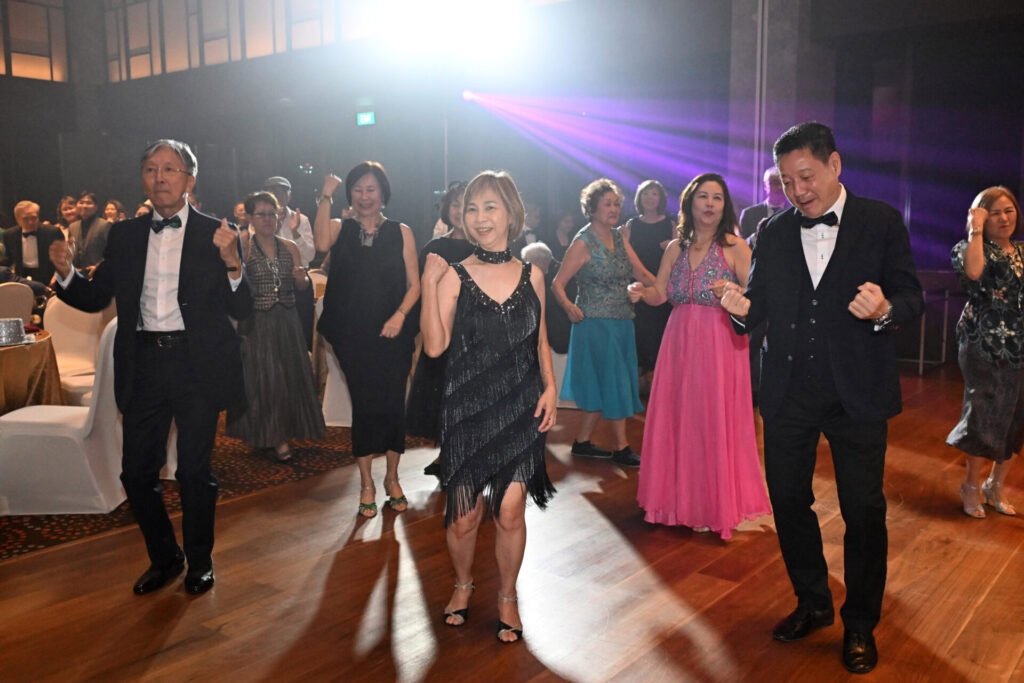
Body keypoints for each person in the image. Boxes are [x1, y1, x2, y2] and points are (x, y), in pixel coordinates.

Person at [720, 122, 923, 674]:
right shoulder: (773, 231)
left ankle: (860, 622)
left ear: (834, 164)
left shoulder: (881, 221)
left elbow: (911, 297)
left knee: (863, 510)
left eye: (806, 176)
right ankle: (813, 601)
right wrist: (740, 312)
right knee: (788, 500)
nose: (797, 190)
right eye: (787, 181)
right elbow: (758, 305)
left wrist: (885, 310)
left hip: (857, 392)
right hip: (788, 392)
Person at [49, 139, 252, 596]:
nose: (160, 178)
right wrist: (66, 273)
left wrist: (232, 262)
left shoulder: (217, 233)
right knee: (137, 473)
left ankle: (200, 560)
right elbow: (95, 297)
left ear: (189, 179)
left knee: (193, 472)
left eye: (170, 169)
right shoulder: (124, 235)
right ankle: (165, 557)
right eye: (151, 169)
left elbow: (243, 308)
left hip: (196, 365)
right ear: (142, 178)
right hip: (143, 364)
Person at [420, 170, 557, 643]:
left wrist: (550, 387)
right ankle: (463, 584)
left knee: (511, 511)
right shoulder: (454, 275)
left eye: (490, 207)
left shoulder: (533, 275)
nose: (480, 217)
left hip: (521, 406)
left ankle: (507, 596)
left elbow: (539, 338)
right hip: (467, 410)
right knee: (464, 516)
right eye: (472, 209)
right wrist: (428, 284)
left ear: (510, 213)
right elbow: (434, 347)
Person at [629, 174, 771, 538]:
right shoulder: (675, 248)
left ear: (725, 206)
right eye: (703, 196)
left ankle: (712, 505)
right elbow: (661, 294)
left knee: (711, 419)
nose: (709, 203)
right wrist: (641, 292)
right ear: (690, 203)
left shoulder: (736, 247)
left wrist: (733, 291)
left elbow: (757, 299)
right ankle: (674, 502)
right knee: (679, 418)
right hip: (678, 341)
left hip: (720, 342)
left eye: (717, 198)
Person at [313, 162, 420, 518]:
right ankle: (366, 484)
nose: (364, 196)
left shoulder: (401, 232)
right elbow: (319, 243)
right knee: (364, 407)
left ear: (382, 193)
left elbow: (414, 284)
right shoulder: (339, 228)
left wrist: (399, 315)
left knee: (392, 406)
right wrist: (326, 194)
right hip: (353, 336)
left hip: (393, 334)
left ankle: (392, 478)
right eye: (357, 189)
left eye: (371, 189)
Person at [551, 178, 655, 467]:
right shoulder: (583, 242)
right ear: (592, 208)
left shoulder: (619, 238)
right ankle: (621, 447)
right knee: (615, 381)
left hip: (621, 323)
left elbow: (641, 273)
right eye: (607, 204)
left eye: (617, 204)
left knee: (606, 383)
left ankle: (582, 442)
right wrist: (569, 307)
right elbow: (557, 284)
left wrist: (665, 289)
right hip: (595, 324)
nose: (614, 209)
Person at [226, 191, 324, 462]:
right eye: (261, 214)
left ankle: (279, 433)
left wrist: (301, 278)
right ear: (250, 217)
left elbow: (303, 286)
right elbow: (233, 285)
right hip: (257, 322)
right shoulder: (243, 246)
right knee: (267, 381)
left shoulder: (289, 247)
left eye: (272, 214)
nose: (268, 219)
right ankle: (274, 437)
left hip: (288, 320)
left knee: (289, 379)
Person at [946, 186, 1022, 518]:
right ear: (979, 216)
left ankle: (995, 484)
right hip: (983, 344)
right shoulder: (968, 248)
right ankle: (971, 486)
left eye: (1009, 210)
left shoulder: (1022, 251)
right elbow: (974, 273)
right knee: (984, 413)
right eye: (994, 212)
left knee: (1017, 416)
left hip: (1020, 344)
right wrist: (975, 231)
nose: (1004, 218)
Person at [406, 181, 474, 478]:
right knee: (443, 397)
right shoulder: (434, 249)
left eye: (467, 205)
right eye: (455, 204)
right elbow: (420, 292)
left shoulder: (487, 249)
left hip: (476, 334)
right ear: (446, 209)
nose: (460, 211)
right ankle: (447, 453)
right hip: (441, 334)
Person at [621, 180, 675, 382]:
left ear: (660, 198)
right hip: (637, 288)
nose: (650, 197)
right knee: (639, 336)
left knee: (659, 337)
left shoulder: (670, 224)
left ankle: (657, 383)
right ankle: (639, 385)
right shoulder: (631, 224)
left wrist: (672, 245)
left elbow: (680, 256)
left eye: (654, 193)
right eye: (646, 193)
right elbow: (624, 257)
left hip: (663, 291)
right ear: (639, 198)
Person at [521, 242, 572, 354]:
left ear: (539, 260)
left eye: (528, 262)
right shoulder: (548, 273)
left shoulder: (560, 274)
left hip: (562, 332)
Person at [2, 201, 65, 284]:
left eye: (33, 218)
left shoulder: (53, 232)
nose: (30, 222)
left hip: (48, 276)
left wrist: (58, 275)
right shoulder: (9, 234)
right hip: (21, 277)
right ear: (17, 219)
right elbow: (8, 259)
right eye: (26, 219)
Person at [739, 167, 787, 239]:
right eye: (775, 183)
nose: (779, 187)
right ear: (765, 186)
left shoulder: (796, 212)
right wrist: (757, 235)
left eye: (783, 183)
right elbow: (741, 244)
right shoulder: (749, 214)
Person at [68, 191, 111, 270]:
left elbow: (113, 251)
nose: (84, 206)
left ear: (96, 207)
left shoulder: (105, 225)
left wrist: (98, 266)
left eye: (89, 203)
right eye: (81, 202)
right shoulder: (72, 227)